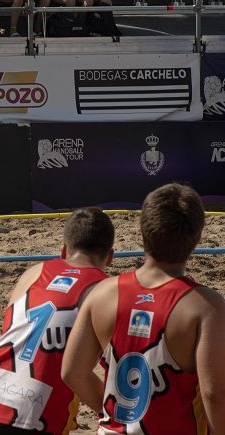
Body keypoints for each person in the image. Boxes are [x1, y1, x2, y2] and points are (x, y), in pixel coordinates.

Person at [62, 183, 225, 433]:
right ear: (198, 238)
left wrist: (116, 415)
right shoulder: (206, 307)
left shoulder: (102, 293)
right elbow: (214, 393)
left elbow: (73, 372)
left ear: (143, 232)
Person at [0, 208, 115, 434]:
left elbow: (11, 332)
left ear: (63, 250)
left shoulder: (33, 272)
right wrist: (115, 413)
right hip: (33, 413)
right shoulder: (107, 291)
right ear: (111, 257)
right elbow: (84, 371)